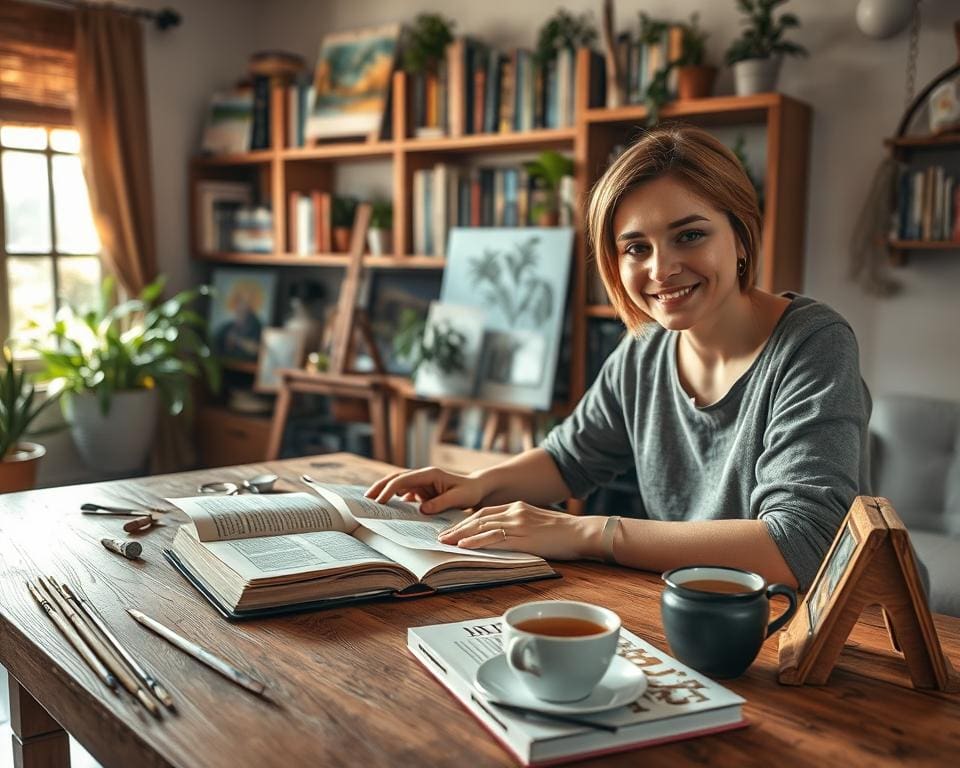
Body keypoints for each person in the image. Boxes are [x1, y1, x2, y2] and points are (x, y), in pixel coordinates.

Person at [366, 124, 871, 591]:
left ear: (740, 235)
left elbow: (805, 545)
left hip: (833, 627)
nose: (662, 268)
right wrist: (476, 486)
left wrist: (587, 533)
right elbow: (569, 459)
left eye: (690, 235)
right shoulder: (645, 348)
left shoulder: (813, 342)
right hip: (698, 603)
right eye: (635, 248)